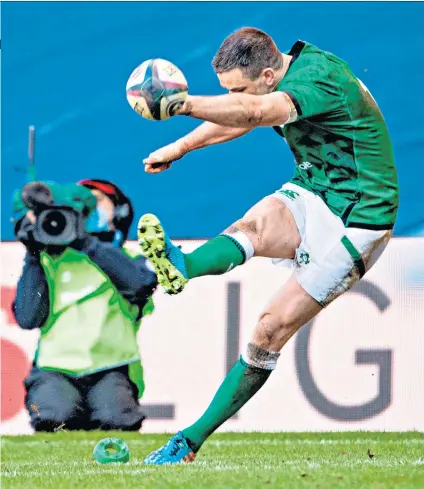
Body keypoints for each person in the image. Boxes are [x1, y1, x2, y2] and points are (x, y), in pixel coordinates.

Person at [137, 27, 399, 463]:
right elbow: (244, 115)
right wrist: (180, 147)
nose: (230, 99)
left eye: (236, 89)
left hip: (362, 216)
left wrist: (179, 104)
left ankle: (190, 441)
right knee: (255, 226)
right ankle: (182, 265)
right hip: (319, 190)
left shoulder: (317, 79)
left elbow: (254, 112)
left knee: (268, 330)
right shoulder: (277, 78)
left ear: (267, 74)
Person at [12, 179, 157, 432]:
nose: (88, 209)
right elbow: (27, 318)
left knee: (118, 421)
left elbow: (140, 284)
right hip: (54, 370)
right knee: (51, 418)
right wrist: (32, 254)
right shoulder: (49, 262)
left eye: (98, 200)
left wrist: (87, 244)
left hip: (112, 368)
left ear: (120, 211)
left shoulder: (131, 259)